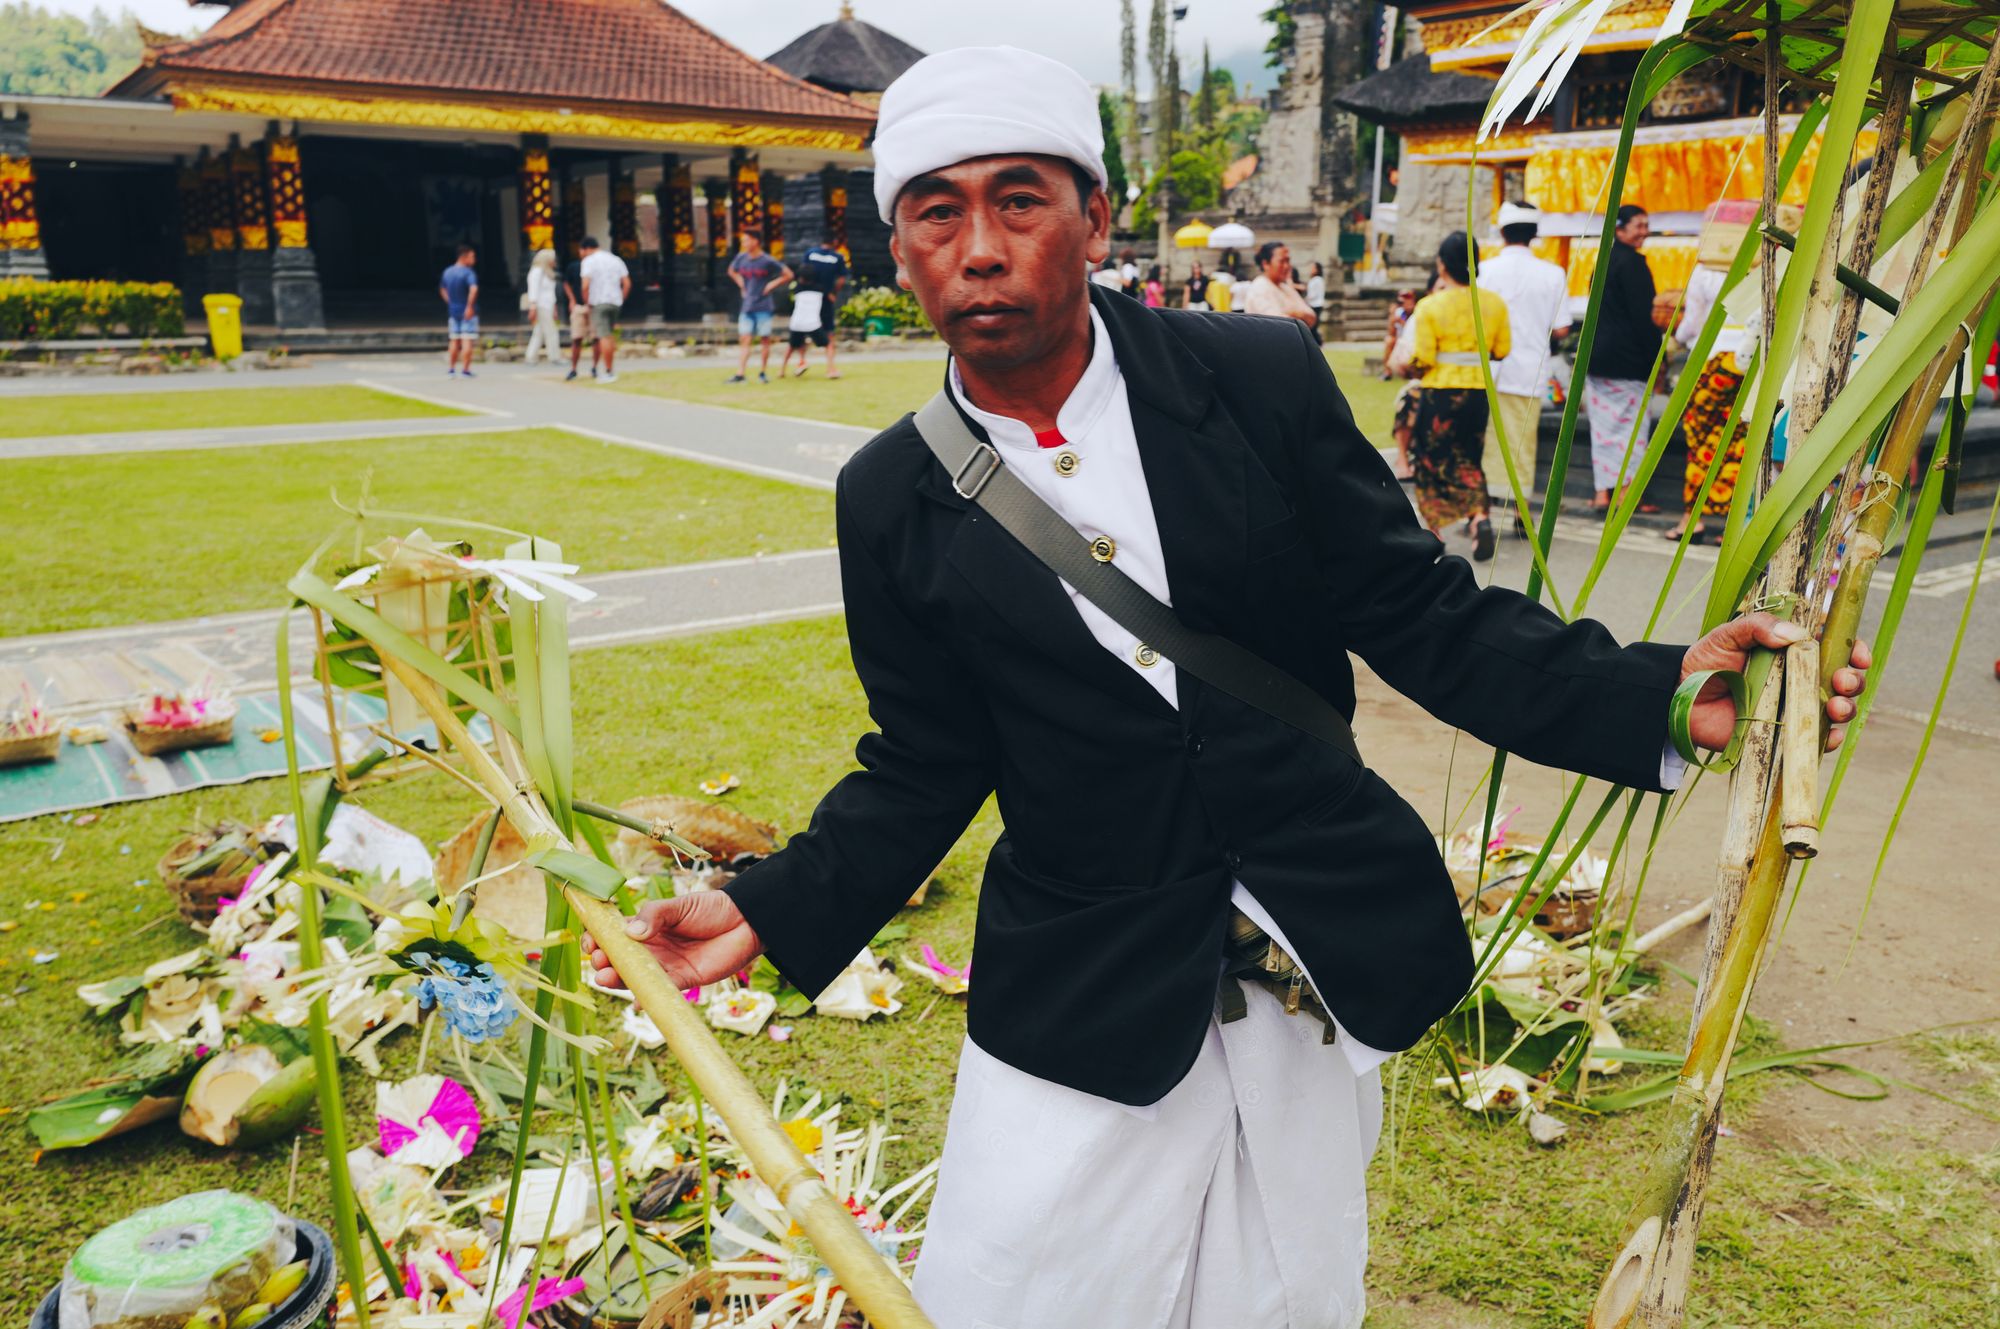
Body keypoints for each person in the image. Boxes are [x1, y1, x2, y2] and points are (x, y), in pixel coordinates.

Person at [582, 46, 1870, 1329]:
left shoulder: (1251, 382)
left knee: (1281, 1290)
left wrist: (1656, 698)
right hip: (1083, 976)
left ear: (1092, 216)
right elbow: (924, 757)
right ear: (898, 250)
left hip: (1303, 944)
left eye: (1019, 199)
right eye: (935, 210)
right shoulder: (888, 495)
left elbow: (1417, 615)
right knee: (1011, 1287)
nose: (978, 246)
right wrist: (777, 906)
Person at [1405, 231, 1511, 560]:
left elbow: (1423, 357)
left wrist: (1412, 368)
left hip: (1440, 391)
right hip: (1477, 391)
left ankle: (1434, 530)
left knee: (1430, 458)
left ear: (1442, 265)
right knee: (1468, 457)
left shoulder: (1430, 306)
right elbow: (1502, 350)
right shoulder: (1493, 303)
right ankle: (1479, 516)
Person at [1478, 203, 1572, 529]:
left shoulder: (1485, 271)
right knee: (1522, 442)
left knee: (1489, 438)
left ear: (1503, 232)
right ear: (1534, 235)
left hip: (1490, 370)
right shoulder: (1552, 273)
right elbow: (1561, 328)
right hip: (1530, 369)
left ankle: (1484, 511)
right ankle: (1520, 509)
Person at [1585, 204, 1664, 514]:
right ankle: (1627, 494)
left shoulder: (1603, 261)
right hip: (1629, 360)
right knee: (1632, 428)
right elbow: (1644, 319)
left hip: (1598, 358)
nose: (1644, 231)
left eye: (1646, 225)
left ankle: (1602, 493)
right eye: (1638, 226)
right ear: (1619, 229)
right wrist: (1656, 359)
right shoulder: (1633, 265)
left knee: (1602, 428)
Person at [1669, 255, 1749, 544]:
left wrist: (1677, 339)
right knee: (1741, 440)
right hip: (1749, 363)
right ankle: (1733, 522)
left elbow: (1692, 322)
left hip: (1711, 361)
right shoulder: (1771, 262)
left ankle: (1691, 520)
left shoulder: (1703, 271)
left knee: (1700, 440)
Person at [727, 228, 793, 384]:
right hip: (747, 306)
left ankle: (762, 373)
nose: (744, 243)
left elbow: (788, 274)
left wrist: (773, 284)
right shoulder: (741, 258)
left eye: (746, 240)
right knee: (745, 339)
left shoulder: (767, 260)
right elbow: (731, 271)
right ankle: (740, 373)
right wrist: (741, 283)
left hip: (763, 306)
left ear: (755, 241)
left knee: (764, 340)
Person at [784, 231, 849, 379]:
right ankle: (831, 369)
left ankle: (801, 361)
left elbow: (803, 271)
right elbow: (841, 280)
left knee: (801, 331)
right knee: (829, 333)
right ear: (834, 243)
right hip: (824, 299)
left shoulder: (810, 253)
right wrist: (833, 293)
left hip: (806, 297)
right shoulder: (837, 258)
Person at [578, 236, 631, 383]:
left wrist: (587, 302)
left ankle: (609, 371)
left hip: (599, 302)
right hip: (615, 302)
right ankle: (609, 368)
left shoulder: (589, 261)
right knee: (609, 335)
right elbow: (626, 283)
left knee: (603, 336)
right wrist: (620, 299)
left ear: (586, 249)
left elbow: (585, 285)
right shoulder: (615, 259)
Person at [1238, 240, 1317, 333]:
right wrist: (1299, 315)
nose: (1287, 266)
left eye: (1288, 260)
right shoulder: (1259, 287)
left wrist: (1291, 314)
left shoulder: (1285, 287)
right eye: (1282, 261)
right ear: (1265, 264)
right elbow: (1278, 324)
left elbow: (1312, 317)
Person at [439, 243, 479, 377]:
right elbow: (473, 290)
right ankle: (465, 369)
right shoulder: (468, 273)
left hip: (453, 310)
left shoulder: (448, 271)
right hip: (467, 311)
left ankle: (451, 369)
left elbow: (442, 289)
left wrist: (449, 301)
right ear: (464, 257)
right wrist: (469, 306)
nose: (474, 259)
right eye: (472, 256)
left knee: (454, 340)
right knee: (467, 340)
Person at [523, 248, 561, 366]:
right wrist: (533, 306)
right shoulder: (537, 271)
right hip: (541, 305)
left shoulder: (547, 272)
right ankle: (554, 356)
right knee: (551, 331)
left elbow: (550, 293)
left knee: (539, 332)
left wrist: (554, 308)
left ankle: (531, 356)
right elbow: (533, 290)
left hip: (548, 305)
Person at [561, 249, 590, 381]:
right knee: (576, 338)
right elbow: (566, 283)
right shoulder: (574, 266)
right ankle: (573, 369)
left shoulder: (596, 266)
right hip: (578, 305)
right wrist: (572, 299)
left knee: (597, 339)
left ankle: (595, 368)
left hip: (593, 305)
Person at [1305, 260, 1328, 324]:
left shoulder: (1317, 279)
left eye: (1313, 268)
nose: (1311, 269)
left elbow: (1313, 294)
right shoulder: (1317, 279)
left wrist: (1305, 300)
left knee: (1313, 326)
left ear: (1317, 269)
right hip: (1314, 305)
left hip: (1315, 305)